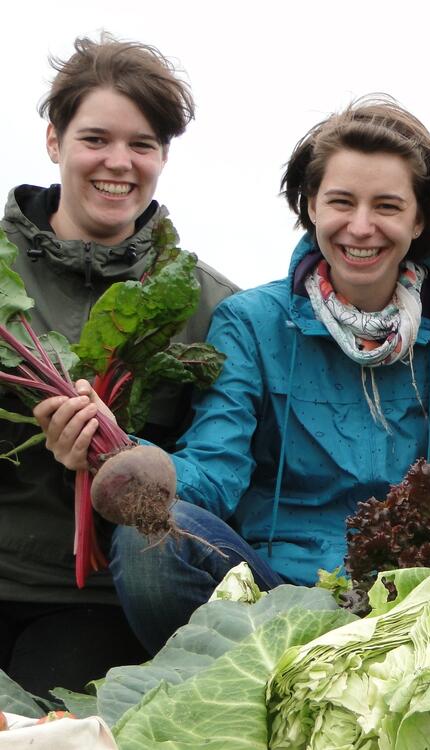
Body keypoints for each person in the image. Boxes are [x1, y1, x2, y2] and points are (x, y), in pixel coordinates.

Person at [37, 96, 430, 655]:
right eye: (340, 201)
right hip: (269, 598)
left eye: (387, 206)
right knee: (150, 538)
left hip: (412, 606)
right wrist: (122, 451)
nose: (361, 226)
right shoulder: (252, 322)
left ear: (419, 218)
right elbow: (215, 471)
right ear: (311, 207)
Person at [0, 35, 238, 696]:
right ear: (54, 141)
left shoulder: (211, 303)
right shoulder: (3, 273)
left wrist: (122, 453)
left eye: (142, 145)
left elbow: (222, 471)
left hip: (97, 599)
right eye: (95, 138)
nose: (118, 163)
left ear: (163, 156)